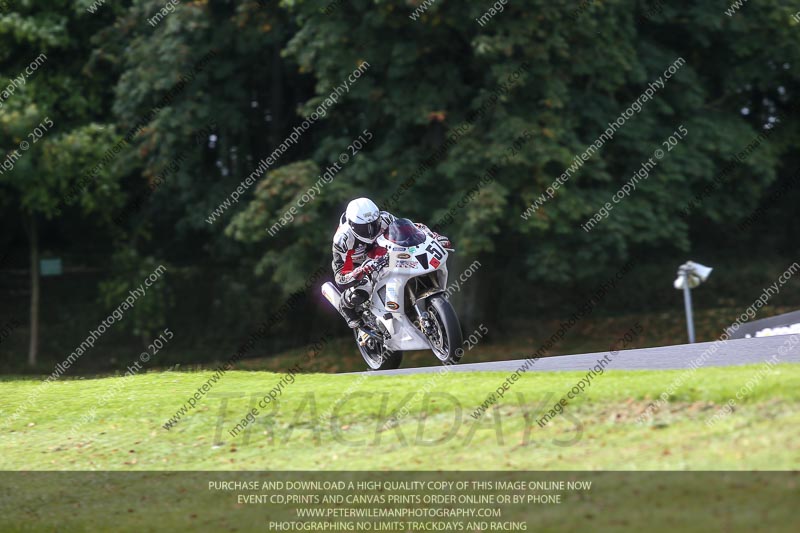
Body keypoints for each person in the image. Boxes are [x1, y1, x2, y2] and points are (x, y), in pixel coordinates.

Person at [331, 197, 453, 328]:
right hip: (355, 264)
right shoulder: (343, 239)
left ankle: (400, 304)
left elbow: (411, 229)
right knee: (362, 289)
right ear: (352, 225)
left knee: (408, 264)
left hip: (382, 254)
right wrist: (358, 272)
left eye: (374, 224)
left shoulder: (385, 218)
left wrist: (434, 237)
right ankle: (346, 306)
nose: (371, 230)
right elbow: (341, 274)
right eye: (364, 228)